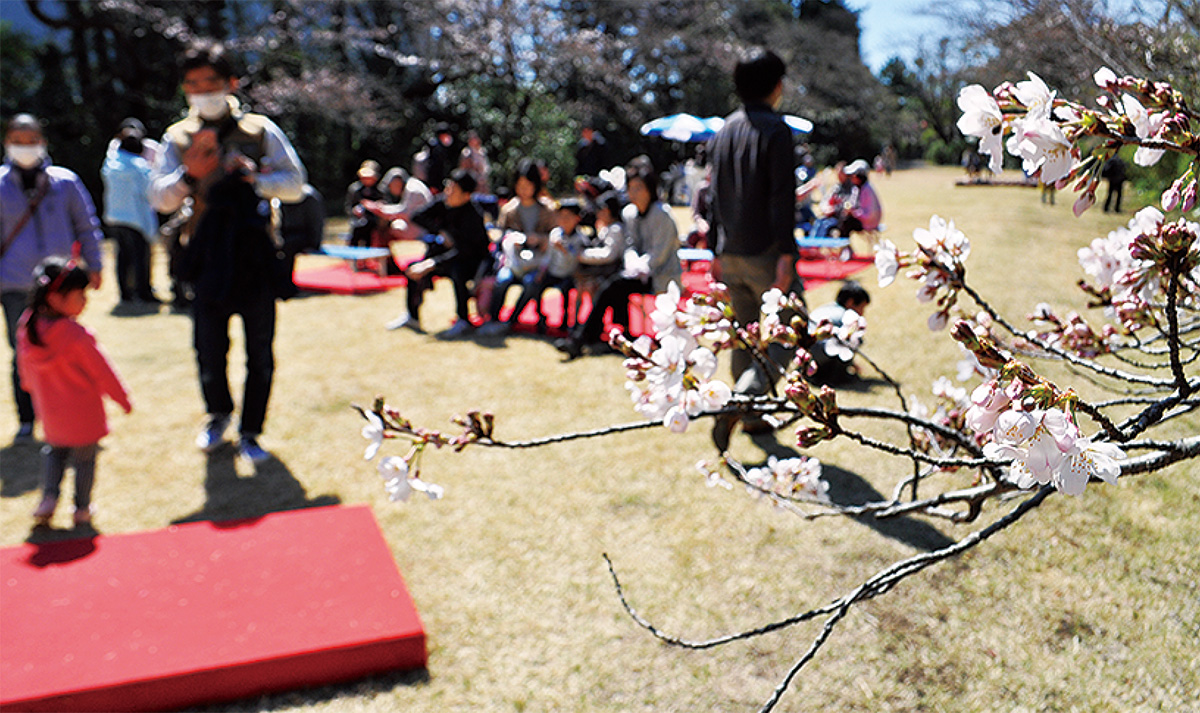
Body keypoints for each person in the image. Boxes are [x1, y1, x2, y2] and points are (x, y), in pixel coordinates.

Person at [149, 42, 307, 463]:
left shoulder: (260, 130)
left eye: (211, 82)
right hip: (206, 256)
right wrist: (189, 175)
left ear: (231, 83)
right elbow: (159, 197)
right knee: (208, 348)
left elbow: (296, 184)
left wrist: (257, 179)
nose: (202, 92)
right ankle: (218, 414)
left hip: (255, 255)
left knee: (260, 352)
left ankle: (252, 430)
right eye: (193, 84)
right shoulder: (176, 137)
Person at [706, 48, 802, 445]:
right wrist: (787, 254)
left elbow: (712, 196)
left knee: (744, 337)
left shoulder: (723, 131)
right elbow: (782, 198)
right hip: (765, 251)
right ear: (777, 86)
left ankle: (751, 417)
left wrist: (713, 249)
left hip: (729, 252)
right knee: (793, 331)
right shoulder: (776, 130)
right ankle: (744, 399)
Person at [1, 113, 105, 445]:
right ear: (7, 143)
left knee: (69, 347)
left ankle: (66, 417)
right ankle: (27, 418)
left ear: (43, 142)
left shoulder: (65, 181)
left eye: (31, 140)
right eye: (18, 141)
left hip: (60, 285)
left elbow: (86, 225)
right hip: (15, 283)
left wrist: (95, 263)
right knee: (24, 351)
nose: (25, 147)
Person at [18, 258, 131, 526]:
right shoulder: (75, 334)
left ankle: (48, 498)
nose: (85, 302)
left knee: (54, 453)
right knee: (84, 461)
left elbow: (24, 371)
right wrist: (122, 398)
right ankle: (81, 507)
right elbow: (102, 371)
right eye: (80, 295)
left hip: (50, 411)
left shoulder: (28, 326)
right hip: (83, 413)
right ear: (56, 298)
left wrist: (30, 388)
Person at [555, 159, 681, 358]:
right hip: (636, 272)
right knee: (614, 285)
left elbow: (660, 254)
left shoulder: (662, 215)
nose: (634, 193)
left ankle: (583, 338)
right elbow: (629, 245)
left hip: (661, 274)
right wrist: (632, 263)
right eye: (631, 188)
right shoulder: (629, 213)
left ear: (650, 189)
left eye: (639, 188)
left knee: (613, 286)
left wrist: (640, 267)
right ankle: (611, 335)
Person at [384, 169, 489, 338]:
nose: (448, 192)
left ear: (466, 195)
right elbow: (417, 216)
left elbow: (465, 252)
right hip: (446, 257)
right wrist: (440, 230)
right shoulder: (444, 202)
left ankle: (463, 319)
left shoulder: (473, 217)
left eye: (453, 189)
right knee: (413, 268)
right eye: (448, 186)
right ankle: (413, 316)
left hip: (472, 262)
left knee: (458, 270)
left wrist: (431, 264)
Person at [478, 199, 583, 336]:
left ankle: (567, 323)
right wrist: (542, 271)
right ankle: (536, 318)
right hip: (551, 272)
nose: (564, 220)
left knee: (565, 291)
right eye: (561, 216)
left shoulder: (580, 238)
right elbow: (548, 257)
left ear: (577, 218)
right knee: (534, 284)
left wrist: (564, 250)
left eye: (568, 216)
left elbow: (577, 256)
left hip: (569, 275)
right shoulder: (555, 234)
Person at [479, 158, 557, 325]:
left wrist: (541, 239)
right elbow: (501, 236)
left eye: (527, 185)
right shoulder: (509, 209)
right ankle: (494, 320)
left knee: (531, 283)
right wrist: (512, 240)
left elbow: (555, 235)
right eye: (520, 185)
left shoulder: (548, 209)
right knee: (502, 281)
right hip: (513, 261)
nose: (523, 190)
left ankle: (513, 320)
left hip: (538, 263)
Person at [102, 124, 160, 304]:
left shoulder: (110, 164)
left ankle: (125, 294)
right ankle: (143, 293)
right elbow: (150, 191)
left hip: (114, 217)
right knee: (140, 257)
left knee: (122, 257)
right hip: (135, 219)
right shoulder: (139, 167)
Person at [808, 280, 870, 386]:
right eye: (862, 307)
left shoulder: (828, 308)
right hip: (819, 351)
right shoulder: (846, 316)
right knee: (854, 339)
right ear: (850, 302)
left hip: (804, 350)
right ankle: (831, 376)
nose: (862, 313)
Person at [278, 183, 325, 275]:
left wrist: (314, 244)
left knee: (286, 247)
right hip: (287, 234)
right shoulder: (283, 194)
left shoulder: (309, 196)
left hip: (303, 236)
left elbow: (316, 222)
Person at [835, 159, 882, 236]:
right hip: (861, 219)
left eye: (852, 176)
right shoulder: (856, 188)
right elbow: (853, 203)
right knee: (842, 217)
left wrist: (854, 213)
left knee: (847, 222)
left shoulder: (867, 190)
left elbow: (869, 215)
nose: (851, 178)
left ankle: (843, 242)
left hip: (868, 223)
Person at [345, 160, 384, 249]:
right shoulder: (354, 189)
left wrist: (376, 207)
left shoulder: (381, 190)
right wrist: (354, 211)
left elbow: (386, 205)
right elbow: (348, 206)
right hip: (358, 222)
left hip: (375, 223)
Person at [458, 130, 491, 196]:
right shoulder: (467, 152)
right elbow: (463, 166)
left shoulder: (482, 151)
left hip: (482, 178)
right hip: (472, 179)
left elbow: (486, 165)